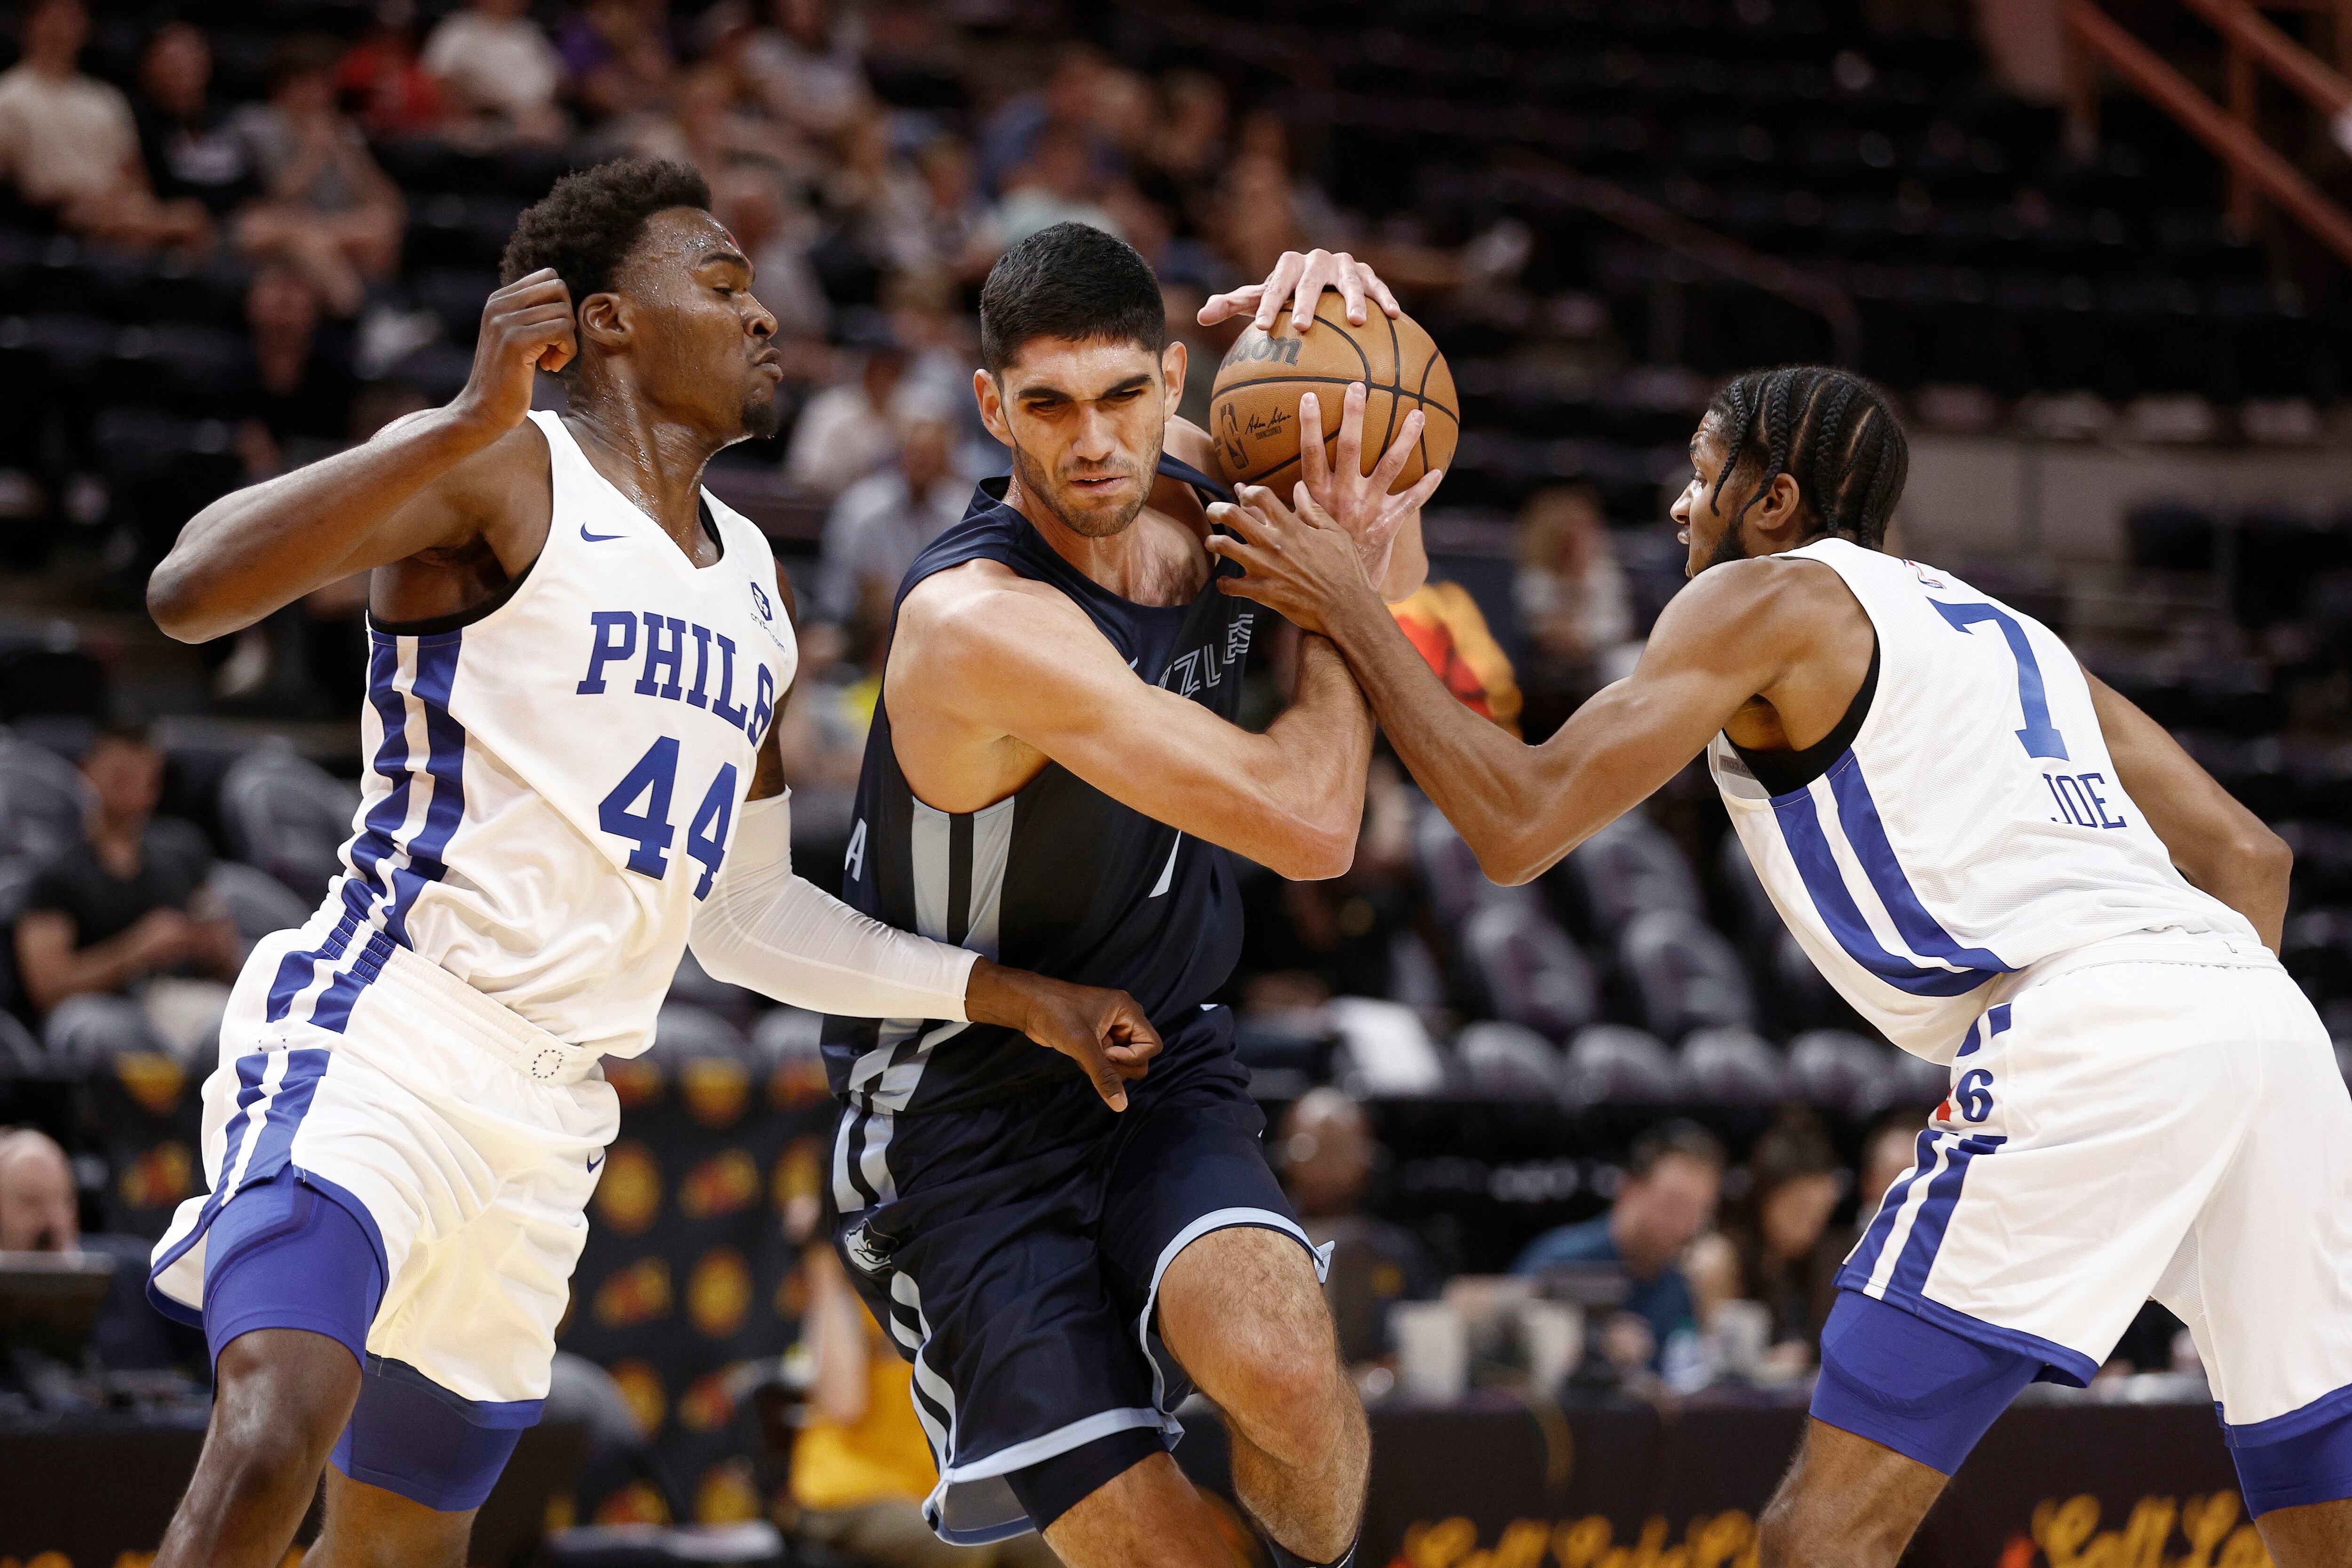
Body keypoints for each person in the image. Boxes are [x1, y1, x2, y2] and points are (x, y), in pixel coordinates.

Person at [137, 158, 1161, 1568]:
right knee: (268, 1438)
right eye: (723, 285)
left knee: (392, 1553)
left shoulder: (755, 580)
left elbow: (740, 915)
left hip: (551, 1116)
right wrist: (449, 424)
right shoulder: (502, 464)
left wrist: (1004, 992)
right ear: (605, 320)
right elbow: (190, 589)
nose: (763, 319)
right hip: (392, 1027)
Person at [1206, 348, 2352, 1565]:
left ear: (1776, 501)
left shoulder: (1762, 593)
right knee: (2315, 1477)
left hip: (2094, 1019)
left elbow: (1518, 819)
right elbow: (2252, 858)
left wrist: (1351, 605)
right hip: (2273, 1032)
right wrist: (2203, 1075)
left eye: (1703, 475)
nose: (1679, 505)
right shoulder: (2015, 634)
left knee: (1820, 1535)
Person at [821, 223, 1437, 1568]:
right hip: (960, 1111)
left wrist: (1359, 377)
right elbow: (1314, 821)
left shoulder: (1211, 490)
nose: (1092, 441)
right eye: (1048, 405)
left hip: (1164, 1045)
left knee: (1285, 1369)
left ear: (1175, 381)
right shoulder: (979, 622)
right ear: (992, 408)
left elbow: (1397, 564)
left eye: (1121, 396)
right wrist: (1333, 594)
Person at [16, 722, 242, 1067]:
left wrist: (212, 946)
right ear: (87, 771)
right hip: (100, 1007)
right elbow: (48, 988)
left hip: (181, 998)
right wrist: (136, 950)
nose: (134, 790)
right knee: (110, 1035)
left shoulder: (184, 852)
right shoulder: (54, 872)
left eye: (145, 777)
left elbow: (224, 946)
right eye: (120, 776)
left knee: (241, 1026)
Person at [1511, 1120, 1724, 1371]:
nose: (1686, 1226)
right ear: (1629, 1189)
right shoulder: (1560, 1259)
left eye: (1699, 1211)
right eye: (1674, 1204)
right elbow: (1512, 1348)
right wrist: (1594, 1340)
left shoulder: (1682, 1284)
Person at [0, 0, 212, 249]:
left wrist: (128, 208)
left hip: (117, 212)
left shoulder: (105, 99)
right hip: (54, 217)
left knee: (190, 218)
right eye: (52, 15)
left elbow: (134, 178)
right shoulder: (9, 95)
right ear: (29, 23)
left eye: (71, 17)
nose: (61, 27)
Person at [228, 35, 407, 317]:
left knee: (376, 227)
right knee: (270, 230)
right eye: (309, 84)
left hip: (321, 228)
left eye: (325, 85)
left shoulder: (343, 131)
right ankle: (357, 313)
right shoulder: (257, 125)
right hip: (276, 225)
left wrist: (349, 158)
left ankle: (350, 301)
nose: (320, 95)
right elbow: (276, 199)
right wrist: (312, 154)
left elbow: (388, 205)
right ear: (284, 87)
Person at [1277, 1088, 1434, 1368]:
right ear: (1285, 1154)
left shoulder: (1396, 1251)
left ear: (1368, 1156)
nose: (1327, 1165)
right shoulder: (1258, 1246)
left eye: (1340, 1150)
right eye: (1310, 1148)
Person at [1687, 1107, 1849, 1373]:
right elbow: (1718, 1359)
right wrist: (1769, 1364)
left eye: (1822, 1213)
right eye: (1801, 1209)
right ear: (1765, 1198)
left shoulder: (1825, 1257)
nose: (1812, 1226)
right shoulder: (1720, 1258)